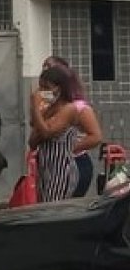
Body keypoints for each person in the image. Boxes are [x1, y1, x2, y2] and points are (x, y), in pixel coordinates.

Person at [42, 57, 104, 197]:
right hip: (51, 165)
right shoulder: (48, 105)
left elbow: (96, 137)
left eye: (50, 68)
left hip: (74, 162)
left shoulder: (78, 107)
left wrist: (67, 150)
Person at [30, 66, 81, 203]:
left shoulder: (69, 109)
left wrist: (35, 107)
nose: (42, 92)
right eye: (40, 88)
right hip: (45, 169)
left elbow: (47, 133)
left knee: (52, 208)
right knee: (43, 206)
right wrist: (38, 112)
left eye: (46, 88)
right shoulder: (49, 110)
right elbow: (33, 140)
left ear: (59, 88)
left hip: (61, 170)